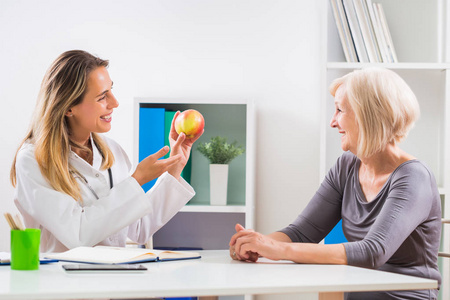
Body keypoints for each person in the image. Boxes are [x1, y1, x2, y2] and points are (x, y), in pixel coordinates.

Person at [229, 68, 441, 299]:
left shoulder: (413, 177)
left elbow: (373, 251)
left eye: (339, 110)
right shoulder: (347, 166)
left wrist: (277, 250)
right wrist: (256, 245)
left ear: (367, 115)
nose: (332, 122)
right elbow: (302, 232)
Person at [10, 50, 203, 253]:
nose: (115, 103)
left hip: (114, 279)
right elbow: (77, 234)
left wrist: (175, 165)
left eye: (111, 90)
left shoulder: (112, 151)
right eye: (103, 96)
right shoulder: (33, 160)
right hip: (63, 281)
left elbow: (139, 229)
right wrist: (136, 180)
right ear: (68, 108)